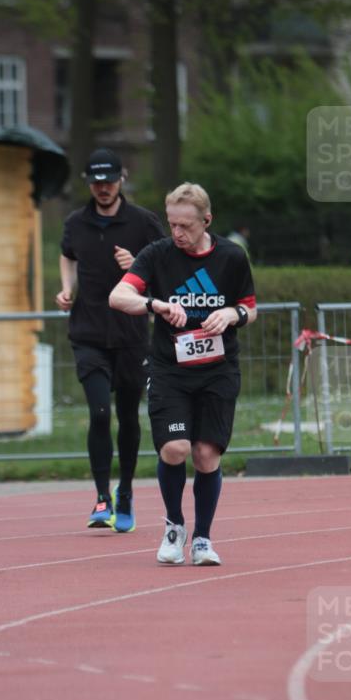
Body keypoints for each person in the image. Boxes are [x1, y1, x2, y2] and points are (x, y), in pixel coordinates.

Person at [109, 182, 257, 566]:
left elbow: (249, 308)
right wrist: (154, 304)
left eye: (186, 226)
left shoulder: (231, 257)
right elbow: (118, 296)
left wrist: (230, 314)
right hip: (169, 369)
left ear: (206, 220)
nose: (177, 233)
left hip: (218, 370)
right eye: (172, 224)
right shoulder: (157, 255)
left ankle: (203, 539)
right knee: (175, 449)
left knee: (206, 455)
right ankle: (174, 525)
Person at [55, 148, 164, 531]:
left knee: (129, 417)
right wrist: (67, 288)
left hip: (131, 335)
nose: (103, 188)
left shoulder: (143, 222)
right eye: (96, 182)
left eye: (109, 181)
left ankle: (127, 491)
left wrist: (136, 266)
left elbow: (165, 268)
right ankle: (101, 498)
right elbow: (67, 255)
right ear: (89, 183)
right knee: (100, 412)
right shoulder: (75, 222)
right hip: (88, 333)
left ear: (122, 179)